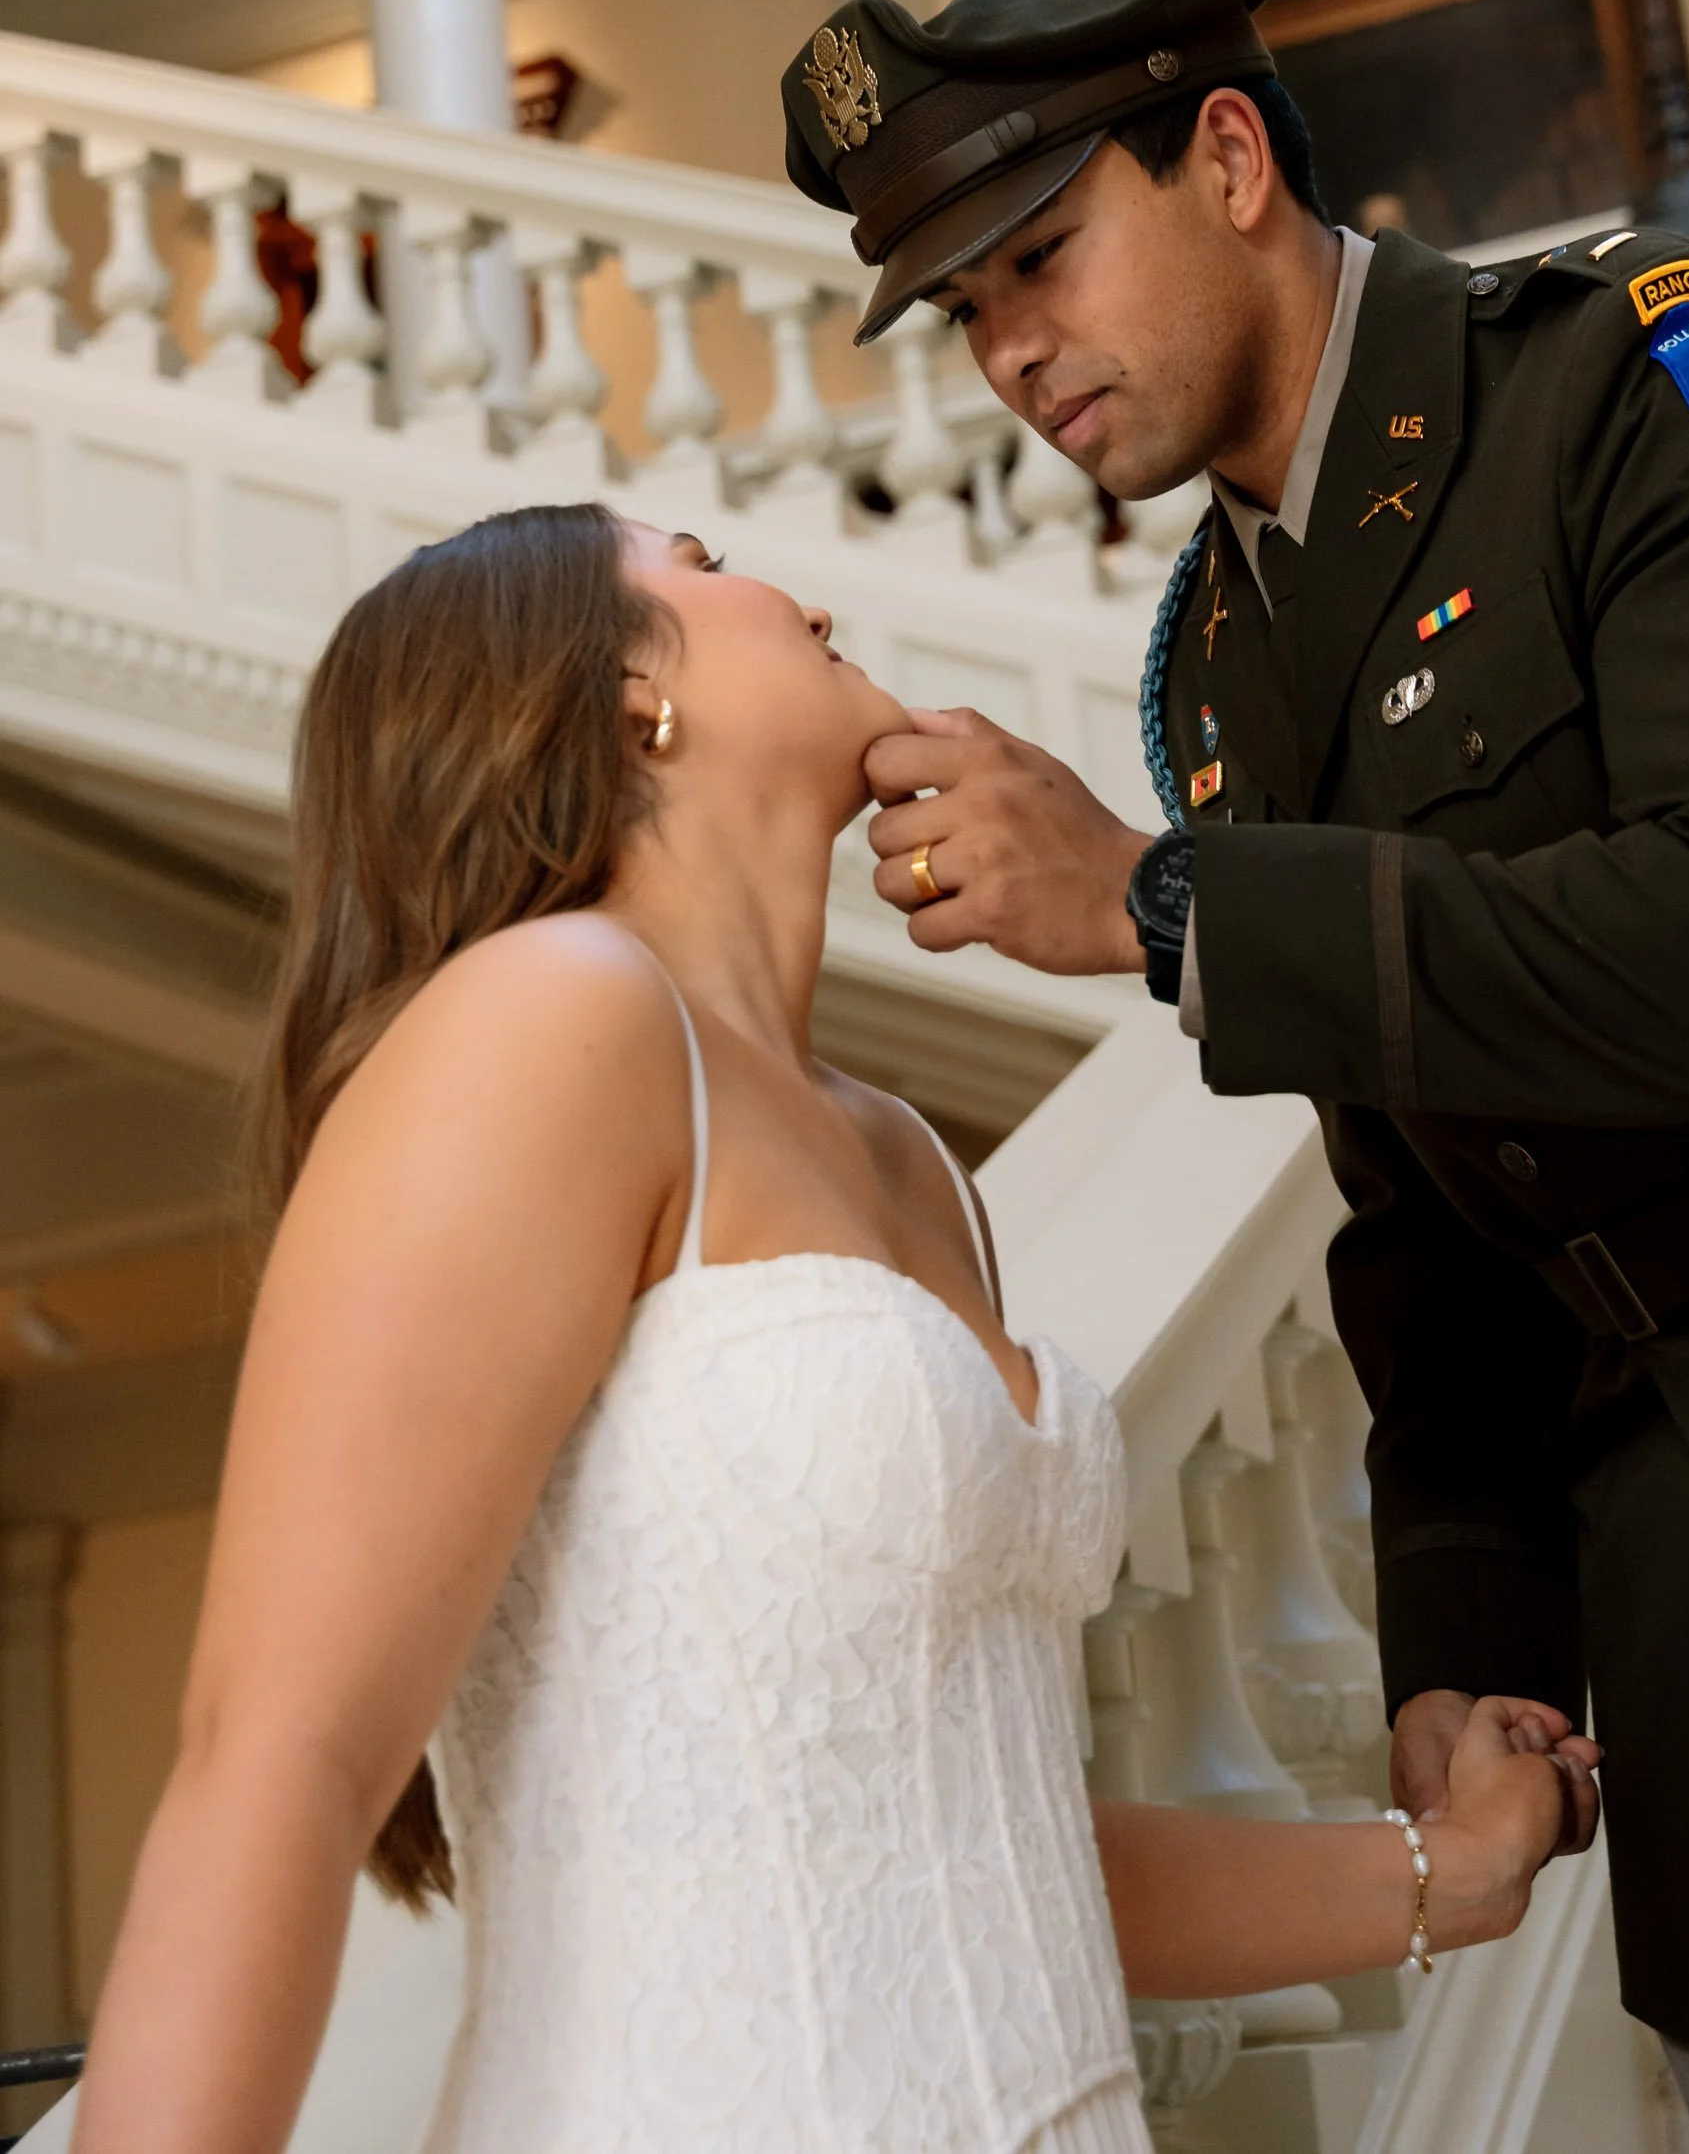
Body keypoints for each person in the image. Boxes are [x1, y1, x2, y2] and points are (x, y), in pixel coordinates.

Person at [784, 0, 1689, 2149]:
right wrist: (1471, 1632)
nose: (1011, 351)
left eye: (1041, 252)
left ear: (1228, 152)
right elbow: (1431, 1227)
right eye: (965, 310)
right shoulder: (1234, 653)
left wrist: (1167, 899)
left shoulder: (1655, 376)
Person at [71, 503, 1591, 2154]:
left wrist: (1452, 1869)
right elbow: (272, 1758)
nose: (795, 585)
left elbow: (969, 1837)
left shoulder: (908, 1157)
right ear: (627, 687)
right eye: (705, 566)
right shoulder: (543, 1020)